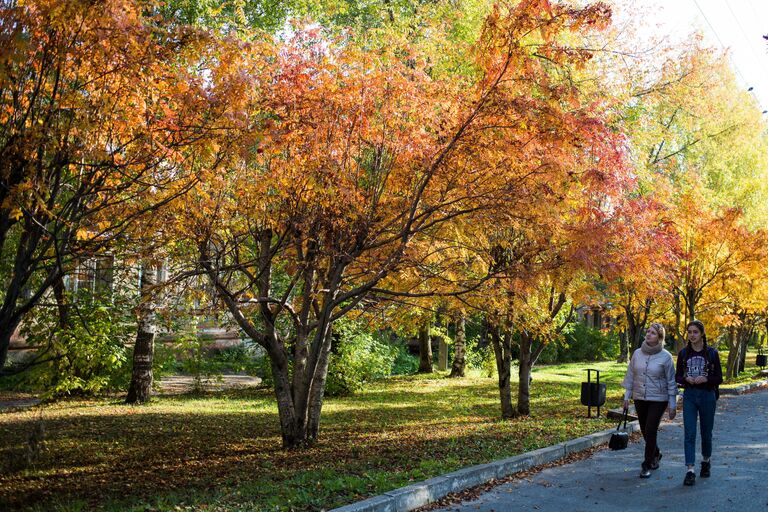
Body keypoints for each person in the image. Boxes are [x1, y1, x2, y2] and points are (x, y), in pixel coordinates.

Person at [622, 322, 677, 478]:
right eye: (648, 332)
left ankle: (646, 464)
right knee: (646, 431)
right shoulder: (637, 353)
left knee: (651, 429)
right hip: (640, 397)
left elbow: (671, 382)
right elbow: (631, 376)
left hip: (659, 399)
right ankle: (656, 453)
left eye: (652, 333)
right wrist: (627, 397)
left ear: (660, 338)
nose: (648, 334)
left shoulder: (666, 357)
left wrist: (672, 405)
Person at [675, 319, 723, 486]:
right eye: (689, 332)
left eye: (695, 332)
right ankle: (690, 470)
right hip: (689, 395)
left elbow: (719, 378)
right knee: (689, 433)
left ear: (702, 333)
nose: (692, 335)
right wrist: (685, 378)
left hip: (707, 395)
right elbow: (678, 376)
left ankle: (706, 460)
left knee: (706, 432)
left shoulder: (712, 353)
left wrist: (706, 378)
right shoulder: (683, 354)